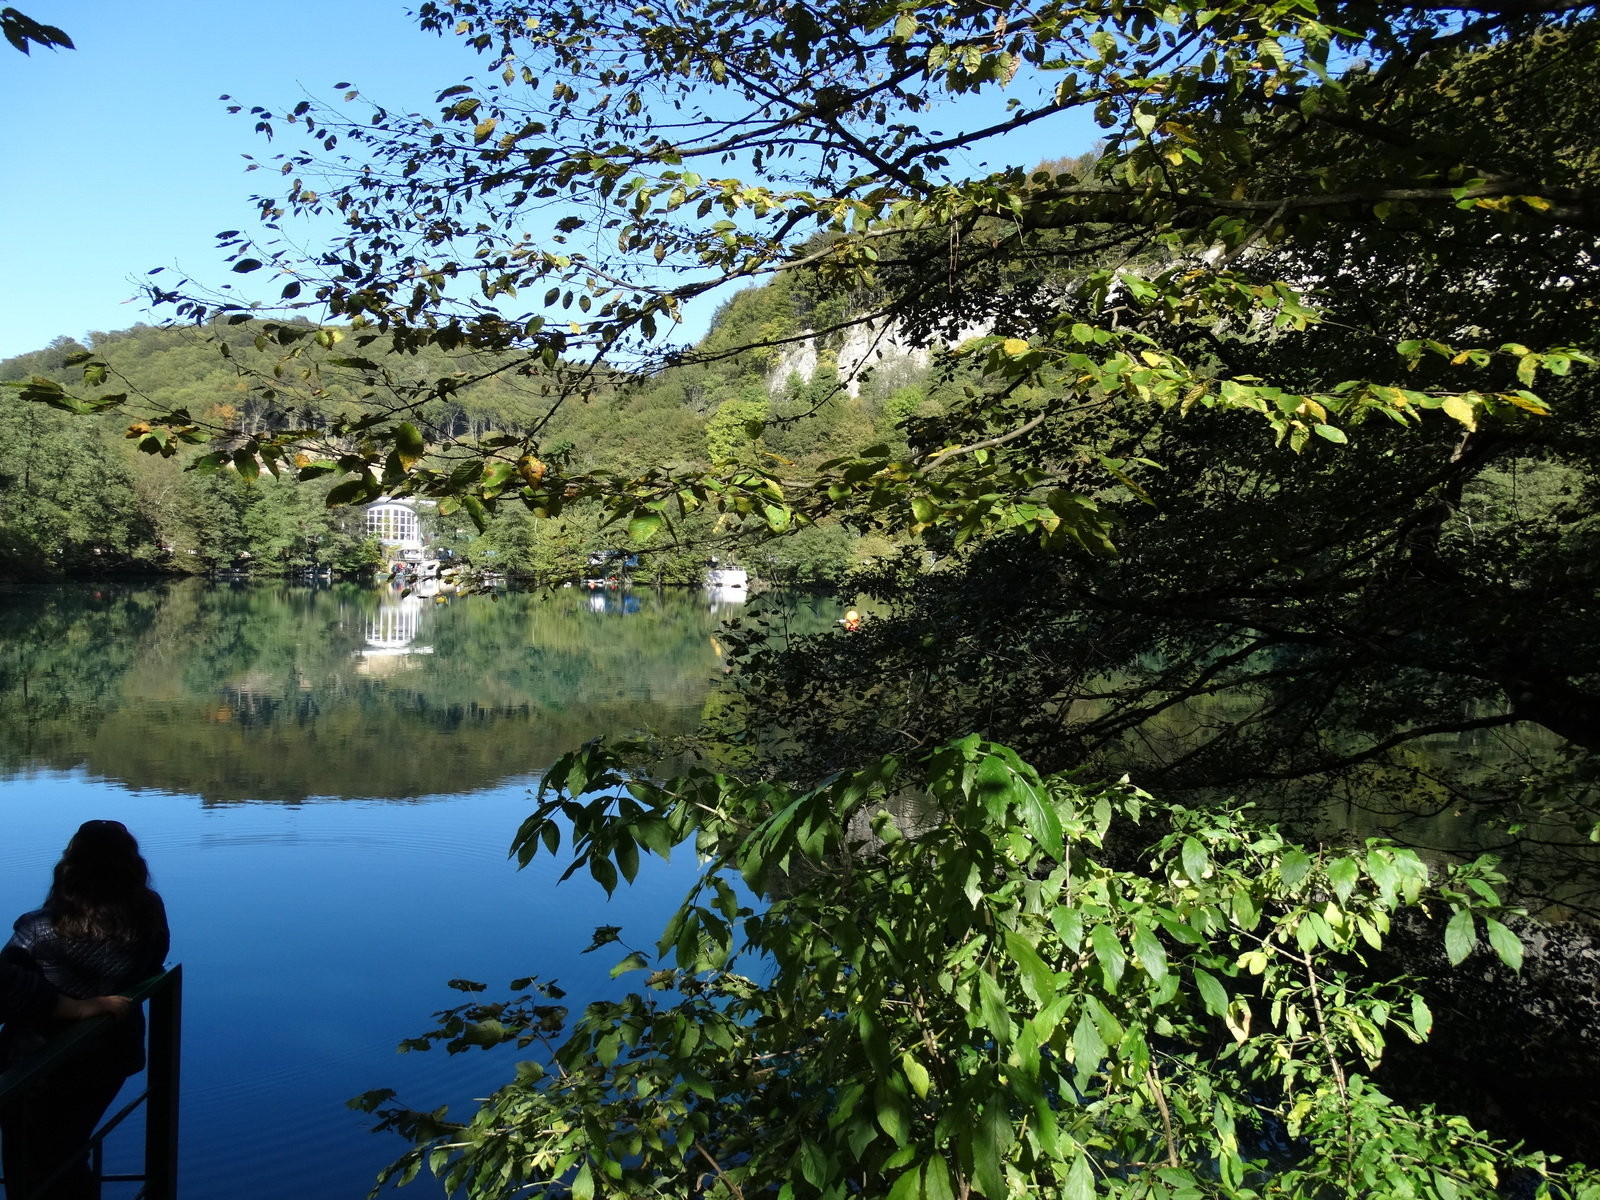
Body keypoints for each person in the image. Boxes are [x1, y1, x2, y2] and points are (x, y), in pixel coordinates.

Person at [0, 821, 169, 1200]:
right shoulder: (149, 911)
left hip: (34, 1067)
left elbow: (9, 988)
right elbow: (156, 959)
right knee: (65, 1153)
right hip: (110, 1058)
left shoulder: (38, 928)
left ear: (70, 865)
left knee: (31, 1165)